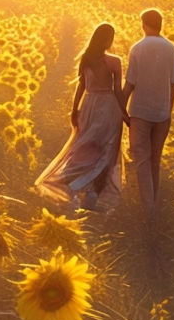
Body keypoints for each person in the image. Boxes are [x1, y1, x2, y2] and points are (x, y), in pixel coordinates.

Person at [34, 23, 128, 210]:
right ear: (108, 39)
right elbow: (117, 90)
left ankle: (74, 185)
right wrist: (126, 114)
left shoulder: (86, 58)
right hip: (109, 107)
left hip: (89, 105)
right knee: (106, 149)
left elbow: (81, 86)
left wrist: (74, 109)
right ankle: (88, 190)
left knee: (83, 146)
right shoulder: (114, 61)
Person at [121, 8, 174, 217]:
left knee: (142, 160)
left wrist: (120, 107)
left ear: (143, 24)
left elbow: (130, 83)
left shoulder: (137, 48)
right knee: (155, 160)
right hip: (162, 114)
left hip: (140, 113)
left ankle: (149, 210)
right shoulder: (171, 49)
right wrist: (168, 108)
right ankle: (153, 204)